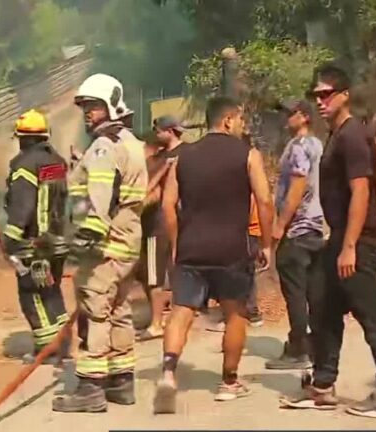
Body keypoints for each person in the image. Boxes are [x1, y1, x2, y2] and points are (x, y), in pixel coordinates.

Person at [279, 64, 376, 420]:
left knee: (370, 315)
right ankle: (322, 385)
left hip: (361, 240)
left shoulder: (352, 135)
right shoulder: (336, 134)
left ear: (344, 95)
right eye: (316, 95)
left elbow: (361, 192)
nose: (320, 100)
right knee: (323, 306)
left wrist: (350, 245)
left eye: (327, 93)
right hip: (338, 240)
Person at [154, 96, 274, 413]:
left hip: (191, 248)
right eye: (241, 121)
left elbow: (168, 206)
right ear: (228, 120)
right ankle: (229, 382)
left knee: (182, 311)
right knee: (235, 313)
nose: (242, 126)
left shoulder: (184, 157)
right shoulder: (248, 155)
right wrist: (265, 243)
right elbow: (264, 200)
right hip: (231, 250)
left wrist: (177, 243)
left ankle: (168, 373)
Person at [52, 73, 147, 413]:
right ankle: (122, 381)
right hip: (127, 242)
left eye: (92, 106)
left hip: (105, 244)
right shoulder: (132, 143)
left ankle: (91, 388)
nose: (87, 113)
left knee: (95, 307)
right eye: (85, 107)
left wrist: (84, 239)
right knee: (119, 308)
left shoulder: (104, 147)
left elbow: (100, 196)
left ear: (111, 105)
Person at [2, 109, 70, 364]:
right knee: (51, 291)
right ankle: (63, 342)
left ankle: (47, 347)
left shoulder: (25, 166)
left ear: (22, 138)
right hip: (57, 241)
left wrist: (12, 237)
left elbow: (23, 204)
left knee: (31, 294)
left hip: (34, 244)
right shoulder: (56, 162)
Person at [265, 100, 325, 370]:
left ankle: (298, 347)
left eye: (290, 114)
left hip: (296, 229)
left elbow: (297, 186)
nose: (285, 118)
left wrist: (280, 226)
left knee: (295, 293)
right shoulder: (318, 144)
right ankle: (316, 344)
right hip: (315, 228)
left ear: (304, 117)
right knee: (312, 291)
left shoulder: (299, 147)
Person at [135, 115, 186, 342]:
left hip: (160, 224)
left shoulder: (178, 157)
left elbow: (152, 193)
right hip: (162, 223)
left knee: (154, 275)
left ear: (171, 131)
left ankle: (157, 324)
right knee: (152, 272)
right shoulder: (163, 158)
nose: (156, 135)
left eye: (158, 130)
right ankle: (164, 318)